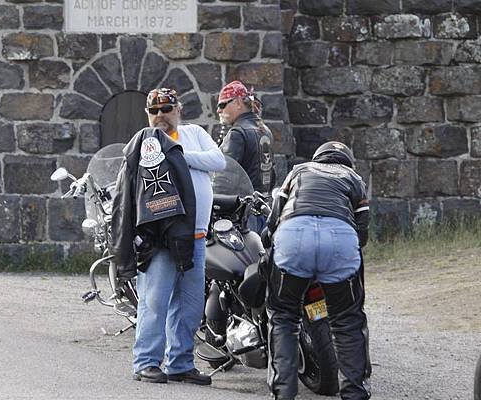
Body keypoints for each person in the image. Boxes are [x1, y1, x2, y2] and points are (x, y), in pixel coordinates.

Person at [111, 88, 226, 385]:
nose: (160, 115)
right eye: (154, 111)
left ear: (178, 109)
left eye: (166, 109)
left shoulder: (194, 133)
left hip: (197, 236)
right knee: (155, 301)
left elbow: (219, 160)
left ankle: (180, 363)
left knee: (189, 305)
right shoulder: (146, 144)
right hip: (160, 238)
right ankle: (146, 362)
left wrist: (177, 156)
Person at [263, 141, 371, 400]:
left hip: (293, 233)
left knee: (283, 318)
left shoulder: (298, 170)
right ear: (347, 162)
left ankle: (283, 393)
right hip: (340, 236)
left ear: (317, 158)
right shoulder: (353, 178)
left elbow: (273, 220)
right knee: (348, 322)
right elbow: (362, 231)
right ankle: (355, 394)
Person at [217, 80, 276, 232]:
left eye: (222, 105)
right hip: (264, 209)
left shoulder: (237, 133)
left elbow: (222, 177)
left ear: (237, 103)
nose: (218, 110)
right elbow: (272, 173)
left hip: (244, 214)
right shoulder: (264, 129)